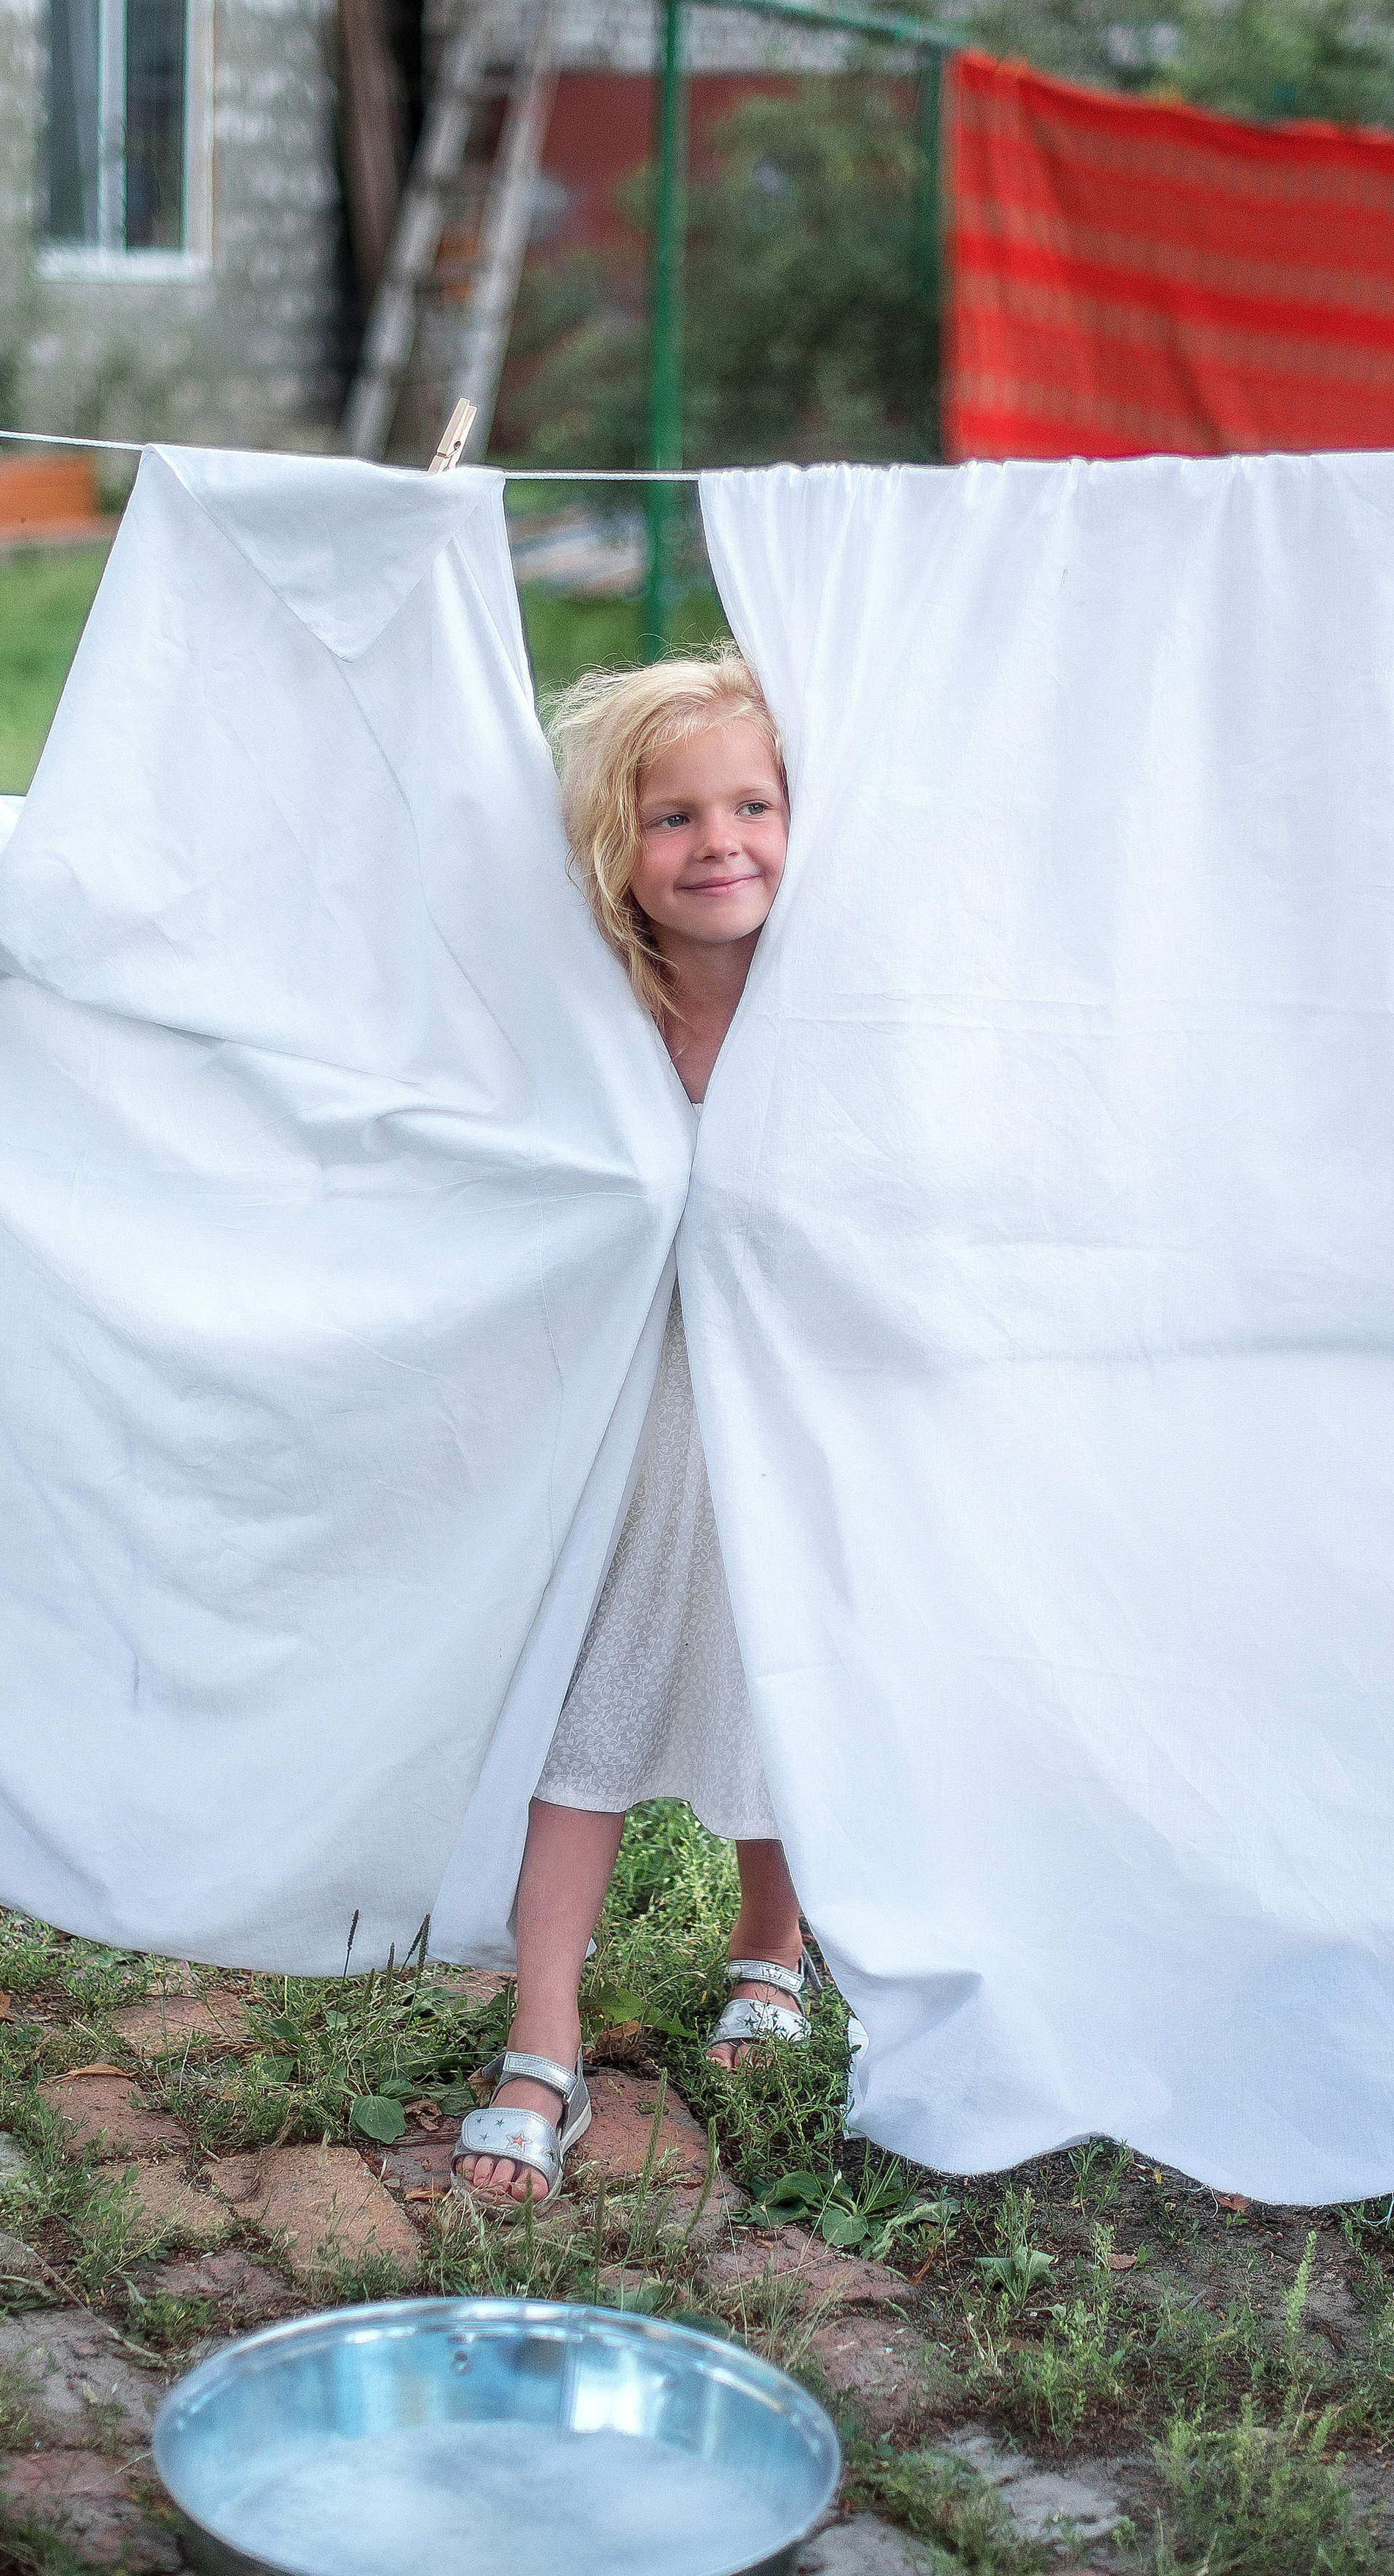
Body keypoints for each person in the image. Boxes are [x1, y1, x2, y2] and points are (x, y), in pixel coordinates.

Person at [455, 649, 813, 2207]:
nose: (719, 840)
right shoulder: (597, 1009)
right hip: (629, 1412)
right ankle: (542, 2034)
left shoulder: (834, 999)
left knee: (794, 1686)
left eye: (754, 803)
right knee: (582, 1704)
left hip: (797, 1408)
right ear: (614, 851)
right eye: (672, 816)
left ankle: (771, 1948)